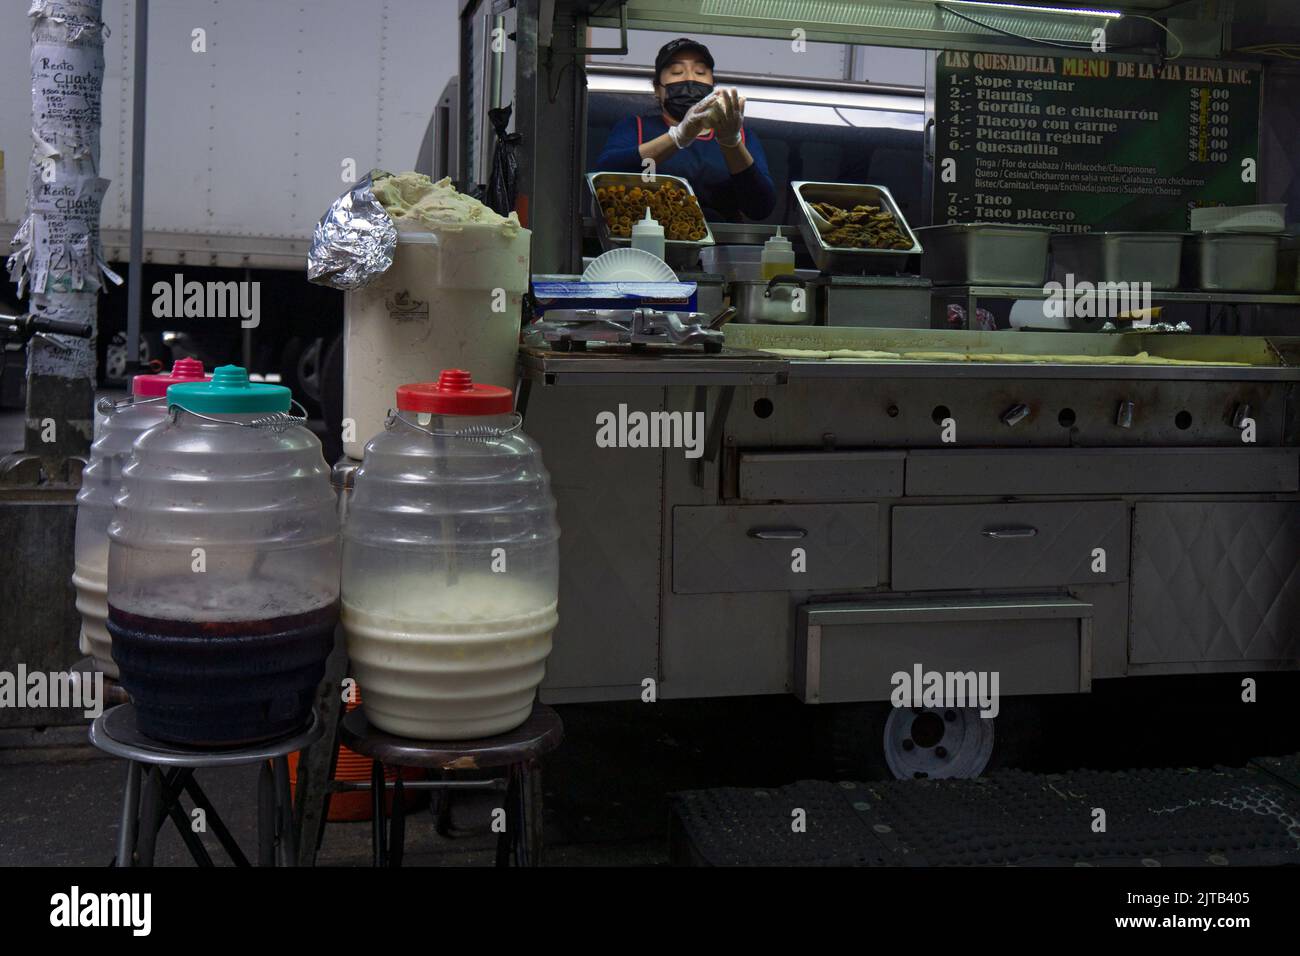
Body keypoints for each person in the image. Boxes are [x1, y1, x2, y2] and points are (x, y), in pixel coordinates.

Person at [594, 37, 776, 223]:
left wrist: (730, 142)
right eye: (677, 72)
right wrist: (678, 136)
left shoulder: (742, 136)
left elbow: (760, 207)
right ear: (657, 89)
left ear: (712, 85)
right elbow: (604, 175)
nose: (689, 78)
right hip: (649, 244)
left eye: (700, 72)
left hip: (722, 248)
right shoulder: (636, 127)